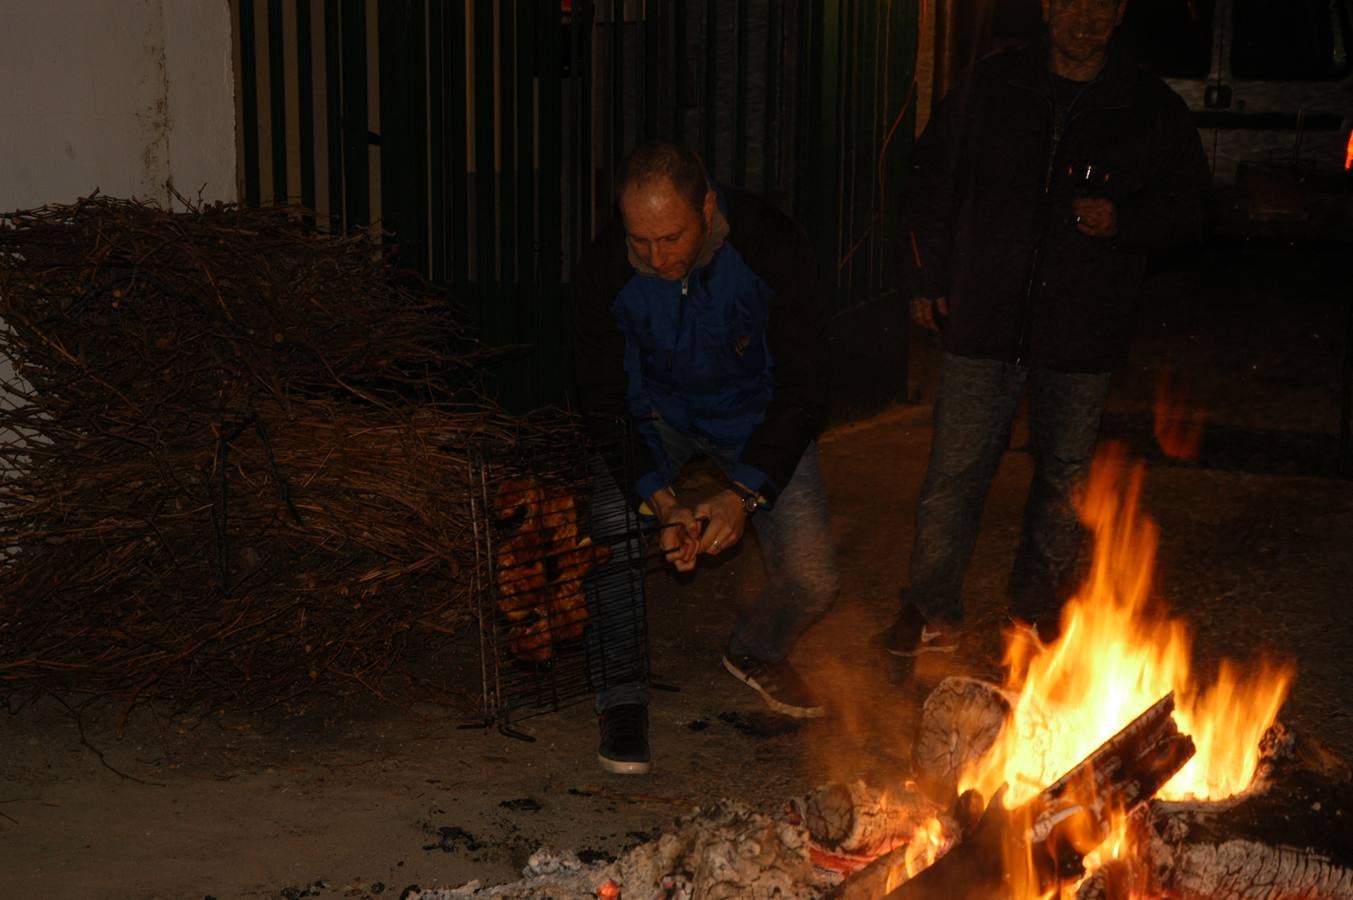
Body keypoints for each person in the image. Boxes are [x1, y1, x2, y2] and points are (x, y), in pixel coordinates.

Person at [881, 0, 1213, 658]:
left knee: (1063, 482)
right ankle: (929, 608)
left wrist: (1122, 220)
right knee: (953, 473)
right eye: (1070, 2)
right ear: (1045, 9)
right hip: (982, 316)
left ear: (1120, 13)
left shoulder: (1146, 105)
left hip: (1081, 328)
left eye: (1100, 4)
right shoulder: (992, 84)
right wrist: (924, 277)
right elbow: (928, 179)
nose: (1083, 17)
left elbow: (1192, 208)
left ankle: (1034, 615)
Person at [570, 140, 840, 775]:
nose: (656, 258)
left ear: (708, 207)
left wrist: (743, 493)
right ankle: (623, 699)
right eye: (641, 241)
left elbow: (806, 387)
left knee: (815, 578)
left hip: (756, 417)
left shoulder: (768, 245)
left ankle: (756, 647)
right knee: (612, 529)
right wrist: (659, 497)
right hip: (658, 417)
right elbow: (602, 397)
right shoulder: (606, 267)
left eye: (671, 238)